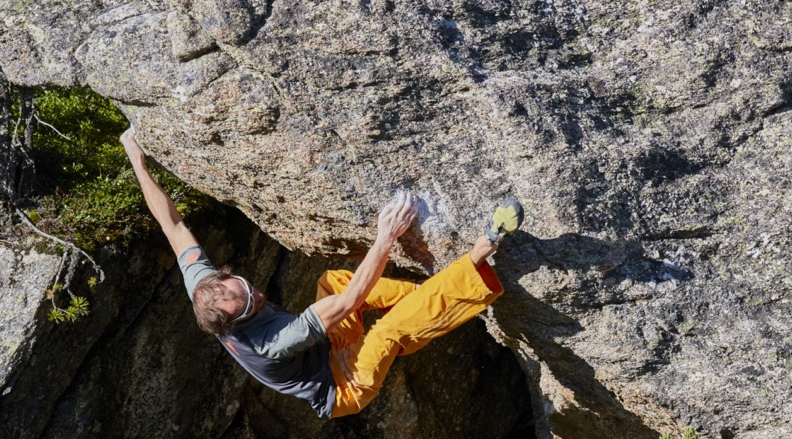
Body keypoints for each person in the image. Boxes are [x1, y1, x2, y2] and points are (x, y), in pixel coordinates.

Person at [119, 127, 523, 418]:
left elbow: (171, 224)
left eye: (244, 285)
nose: (258, 292)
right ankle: (480, 253)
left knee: (333, 280)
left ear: (220, 281)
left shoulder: (202, 288)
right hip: (342, 385)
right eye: (251, 302)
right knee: (386, 332)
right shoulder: (272, 342)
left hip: (325, 346)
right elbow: (351, 305)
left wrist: (137, 159)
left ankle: (435, 296)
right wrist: (385, 237)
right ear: (236, 321)